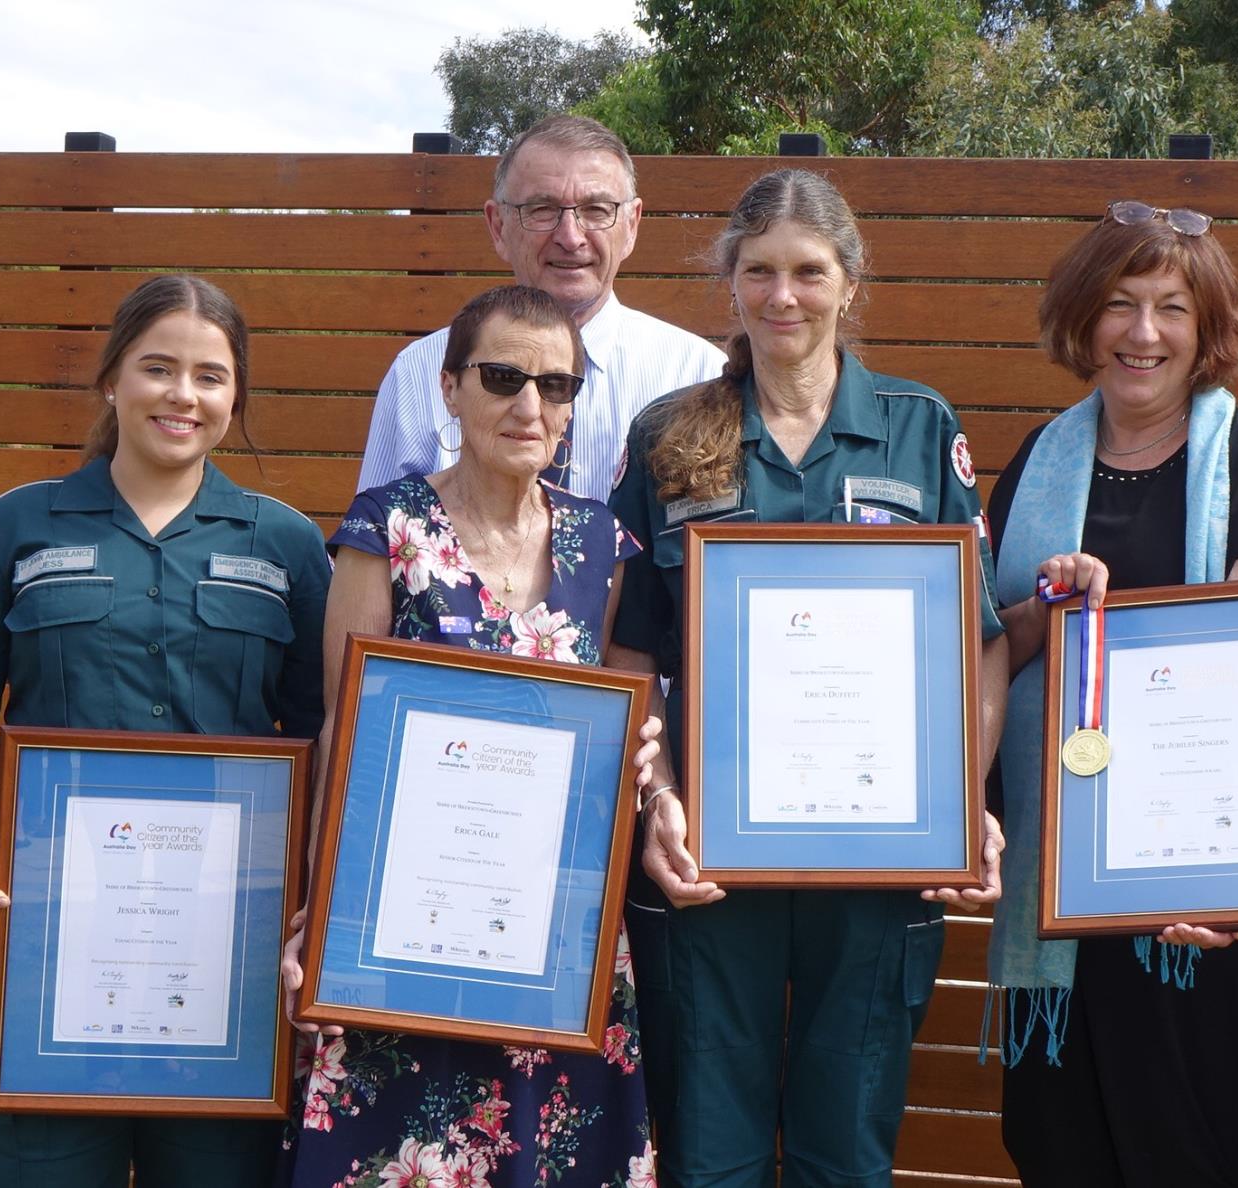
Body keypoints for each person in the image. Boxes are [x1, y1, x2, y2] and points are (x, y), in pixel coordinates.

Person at [605, 167, 1009, 1188]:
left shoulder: (921, 428)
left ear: (849, 279)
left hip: (878, 860)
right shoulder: (667, 435)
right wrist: (654, 799)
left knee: (846, 1149)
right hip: (709, 856)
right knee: (709, 1151)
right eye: (759, 272)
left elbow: (982, 642)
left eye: (807, 271)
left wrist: (960, 802)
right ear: (730, 283)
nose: (782, 296)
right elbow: (630, 658)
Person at [0, 274, 330, 1186]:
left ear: (236, 397)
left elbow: (328, 732)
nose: (184, 395)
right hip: (49, 928)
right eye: (159, 368)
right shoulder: (14, 524)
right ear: (112, 380)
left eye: (211, 377)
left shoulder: (289, 544)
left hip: (230, 946)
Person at [279, 285, 663, 1188]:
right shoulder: (387, 528)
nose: (531, 406)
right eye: (503, 378)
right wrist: (320, 910)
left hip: (556, 934)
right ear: (450, 389)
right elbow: (343, 730)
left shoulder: (604, 543)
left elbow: (628, 726)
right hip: (401, 921)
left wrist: (651, 770)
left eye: (558, 386)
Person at [986, 201, 1238, 1188]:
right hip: (1061, 888)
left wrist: (1235, 883)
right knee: (1059, 1148)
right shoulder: (1036, 466)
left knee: (1186, 1150)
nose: (1142, 333)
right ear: (1082, 318)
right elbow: (1001, 651)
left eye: (1171, 308)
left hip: (1192, 895)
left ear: (1206, 328)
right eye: (1120, 305)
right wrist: (1048, 610)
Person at [358, 114, 725, 501]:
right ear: (498, 227)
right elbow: (373, 548)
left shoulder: (696, 377)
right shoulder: (419, 375)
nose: (570, 237)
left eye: (597, 210)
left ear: (631, 225)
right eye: (542, 210)